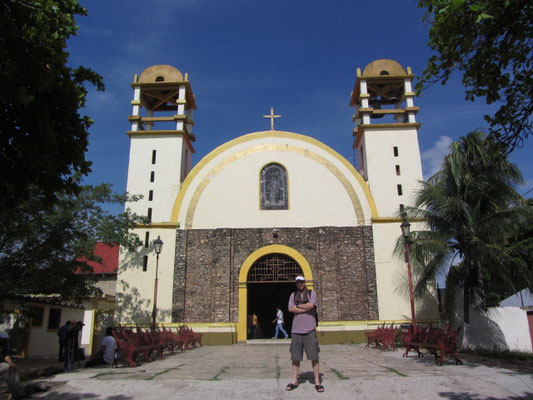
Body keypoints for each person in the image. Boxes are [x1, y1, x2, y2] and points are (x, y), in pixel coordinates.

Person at [286, 275, 323, 393]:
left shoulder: (312, 293)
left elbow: (311, 305)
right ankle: (294, 380)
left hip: (310, 330)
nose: (300, 284)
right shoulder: (293, 295)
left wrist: (298, 306)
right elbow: (290, 309)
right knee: (295, 357)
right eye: (298, 283)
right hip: (296, 330)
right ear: (296, 284)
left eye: (301, 282)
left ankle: (317, 382)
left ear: (305, 282)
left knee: (314, 356)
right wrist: (305, 307)